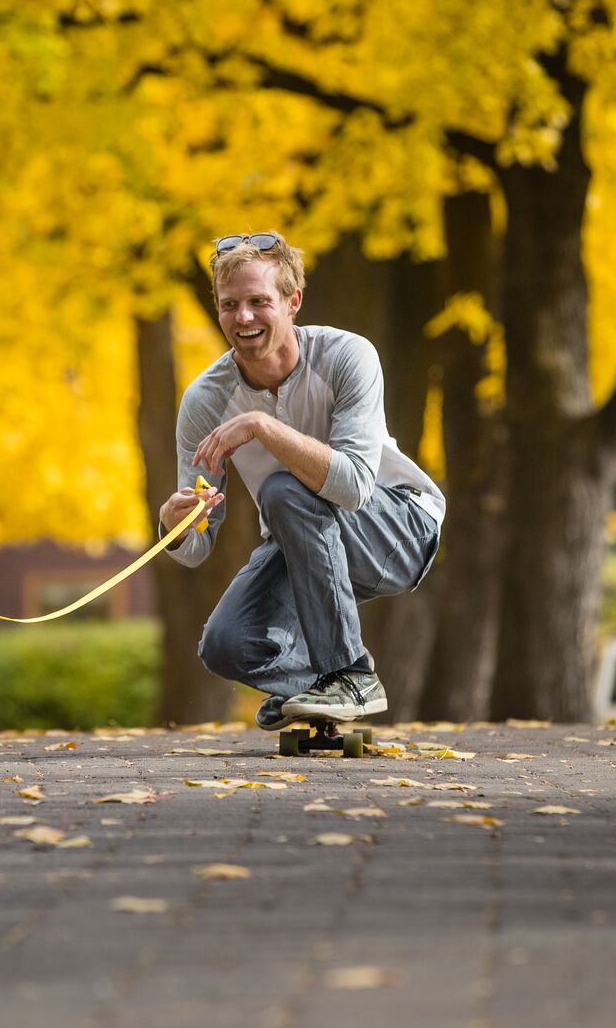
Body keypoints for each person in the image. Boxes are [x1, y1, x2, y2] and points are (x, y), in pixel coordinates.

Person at [157, 232, 445, 729]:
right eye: (229, 305)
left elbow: (354, 487)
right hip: (302, 547)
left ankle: (350, 675)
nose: (242, 317)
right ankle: (316, 688)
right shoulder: (204, 401)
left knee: (283, 489)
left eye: (258, 302)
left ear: (293, 302)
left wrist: (264, 428)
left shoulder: (347, 356)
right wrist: (176, 524)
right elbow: (199, 546)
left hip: (398, 527)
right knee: (227, 645)